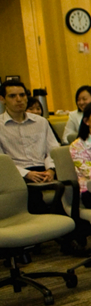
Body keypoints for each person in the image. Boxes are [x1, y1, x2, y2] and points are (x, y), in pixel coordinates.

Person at [1, 80, 60, 212]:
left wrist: (51, 169)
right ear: (2, 99)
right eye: (12, 96)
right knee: (33, 195)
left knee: (70, 184)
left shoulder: (41, 122)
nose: (19, 100)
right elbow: (1, 161)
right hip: (16, 173)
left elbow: (53, 150)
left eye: (22, 95)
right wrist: (27, 174)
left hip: (44, 168)